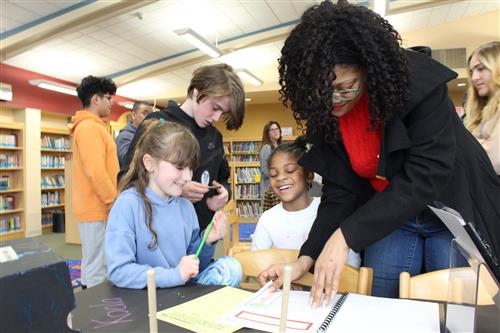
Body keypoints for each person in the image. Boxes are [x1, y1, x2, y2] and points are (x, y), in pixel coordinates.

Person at [258, 0, 500, 302]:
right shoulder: (326, 114)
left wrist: (346, 235)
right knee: (381, 300)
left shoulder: (416, 85)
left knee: (453, 307)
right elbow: (340, 191)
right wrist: (306, 257)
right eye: (322, 92)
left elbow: (427, 174)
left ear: (370, 70)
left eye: (347, 87)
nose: (335, 100)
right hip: (387, 213)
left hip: (452, 208)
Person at [106, 119, 242, 289]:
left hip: (180, 290)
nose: (187, 177)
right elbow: (119, 271)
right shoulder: (128, 204)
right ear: (149, 163)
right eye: (179, 167)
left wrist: (207, 242)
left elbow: (194, 262)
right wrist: (173, 276)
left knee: (230, 268)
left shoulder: (185, 206)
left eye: (191, 168)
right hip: (146, 298)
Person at [120, 64, 245, 232]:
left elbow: (223, 179)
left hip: (200, 237)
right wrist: (176, 186)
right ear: (196, 91)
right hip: (158, 234)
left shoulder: (215, 137)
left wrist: (225, 194)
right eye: (215, 108)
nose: (216, 117)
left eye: (223, 113)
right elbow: (128, 178)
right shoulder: (156, 123)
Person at [251, 137, 361, 268]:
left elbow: (352, 264)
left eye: (290, 170)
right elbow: (256, 266)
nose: (280, 178)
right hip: (283, 288)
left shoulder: (331, 211)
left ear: (309, 175)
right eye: (273, 174)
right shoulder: (267, 219)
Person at [69, 75, 119, 288]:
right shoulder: (89, 128)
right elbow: (96, 172)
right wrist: (112, 201)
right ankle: (95, 314)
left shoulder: (95, 126)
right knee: (96, 266)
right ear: (95, 99)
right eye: (108, 97)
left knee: (95, 261)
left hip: (98, 207)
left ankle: (94, 309)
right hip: (97, 206)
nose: (111, 103)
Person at [464, 41, 500, 177]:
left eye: (481, 69)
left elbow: (496, 160)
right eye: (472, 72)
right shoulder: (482, 110)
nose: (474, 78)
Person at [115, 101, 152, 167]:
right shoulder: (124, 137)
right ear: (134, 115)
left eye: (151, 114)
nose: (149, 117)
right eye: (145, 113)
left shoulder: (146, 134)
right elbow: (127, 162)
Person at [259, 121, 282, 200]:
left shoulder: (280, 147)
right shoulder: (267, 147)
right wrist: (279, 175)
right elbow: (264, 169)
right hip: (269, 189)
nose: (275, 131)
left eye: (277, 128)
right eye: (272, 130)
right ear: (267, 133)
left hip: (278, 187)